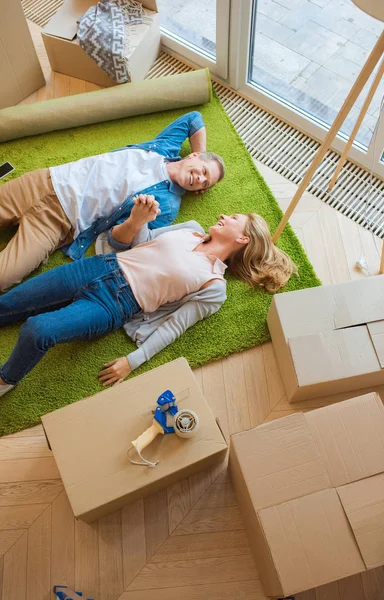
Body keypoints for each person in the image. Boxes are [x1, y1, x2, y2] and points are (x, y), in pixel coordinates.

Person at [0, 195, 296, 397]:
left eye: (232, 218)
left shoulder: (214, 286)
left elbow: (176, 325)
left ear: (242, 239)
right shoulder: (190, 230)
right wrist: (139, 220)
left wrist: (133, 360)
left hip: (114, 304)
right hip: (99, 266)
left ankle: (5, 380)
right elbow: (143, 241)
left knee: (39, 329)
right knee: (8, 303)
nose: (222, 215)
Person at [0, 111, 225, 291]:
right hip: (44, 181)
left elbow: (118, 243)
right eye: (204, 171)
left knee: (4, 277)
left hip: (58, 222)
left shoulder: (167, 205)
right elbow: (193, 119)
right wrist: (202, 155)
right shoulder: (163, 146)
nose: (200, 179)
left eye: (205, 183)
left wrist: (136, 221)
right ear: (193, 156)